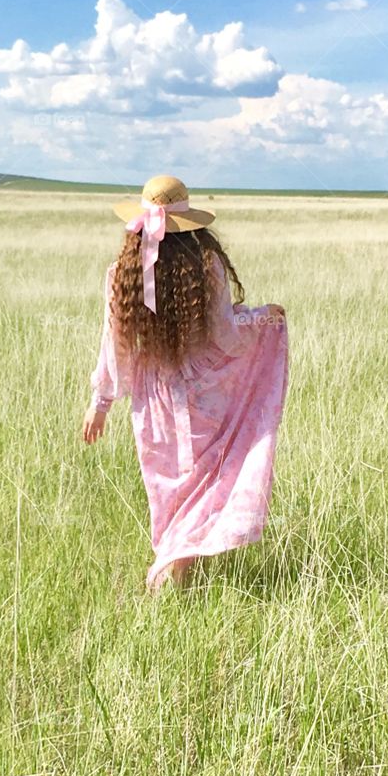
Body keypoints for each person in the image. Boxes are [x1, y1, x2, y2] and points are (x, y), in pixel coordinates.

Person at [82, 174, 288, 592]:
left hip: (151, 402)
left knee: (168, 492)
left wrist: (101, 403)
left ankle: (173, 574)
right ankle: (174, 574)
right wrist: (265, 316)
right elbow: (226, 336)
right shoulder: (205, 268)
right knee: (203, 484)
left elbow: (115, 346)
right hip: (205, 395)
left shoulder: (121, 274)